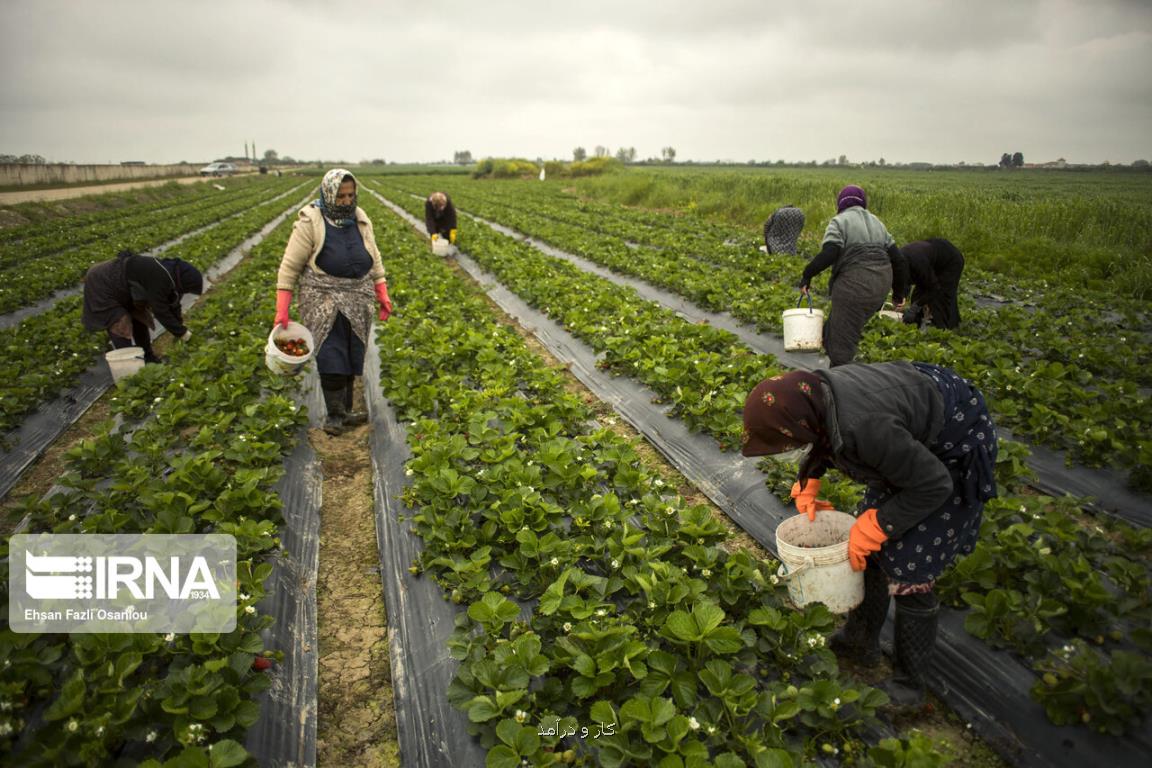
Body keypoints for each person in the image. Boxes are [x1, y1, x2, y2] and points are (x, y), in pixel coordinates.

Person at [741, 362, 998, 708]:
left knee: (910, 566)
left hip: (949, 450)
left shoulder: (866, 428)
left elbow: (934, 483)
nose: (787, 448)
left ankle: (910, 686)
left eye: (785, 442)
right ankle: (860, 641)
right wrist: (810, 477)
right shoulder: (816, 394)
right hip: (904, 442)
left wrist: (880, 525)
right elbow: (822, 434)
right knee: (870, 552)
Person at [275, 168, 392, 436]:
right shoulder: (310, 222)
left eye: (351, 195)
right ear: (328, 193)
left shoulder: (361, 219)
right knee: (331, 351)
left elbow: (375, 259)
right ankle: (335, 415)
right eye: (340, 196)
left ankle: (347, 410)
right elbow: (289, 267)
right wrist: (282, 308)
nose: (347, 201)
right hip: (322, 295)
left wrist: (382, 292)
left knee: (353, 351)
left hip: (358, 297)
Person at [798, 185, 908, 366]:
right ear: (863, 202)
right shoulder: (877, 222)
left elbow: (830, 252)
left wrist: (807, 275)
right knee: (836, 329)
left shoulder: (840, 222)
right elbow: (899, 260)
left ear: (840, 203)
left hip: (855, 285)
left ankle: (841, 381)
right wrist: (898, 294)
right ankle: (836, 365)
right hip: (880, 285)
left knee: (843, 339)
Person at [82, 249, 203, 364]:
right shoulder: (160, 277)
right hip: (102, 282)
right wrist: (182, 333)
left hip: (126, 288)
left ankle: (148, 357)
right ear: (183, 283)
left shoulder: (174, 278)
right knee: (119, 321)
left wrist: (180, 326)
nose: (185, 292)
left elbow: (174, 304)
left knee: (140, 318)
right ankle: (128, 365)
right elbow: (160, 311)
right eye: (187, 289)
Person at [896, 239, 965, 329]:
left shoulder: (917, 263)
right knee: (917, 296)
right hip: (932, 261)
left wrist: (915, 308)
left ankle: (944, 329)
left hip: (950, 262)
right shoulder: (897, 263)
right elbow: (904, 279)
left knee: (940, 299)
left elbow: (934, 288)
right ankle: (917, 324)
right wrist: (902, 296)